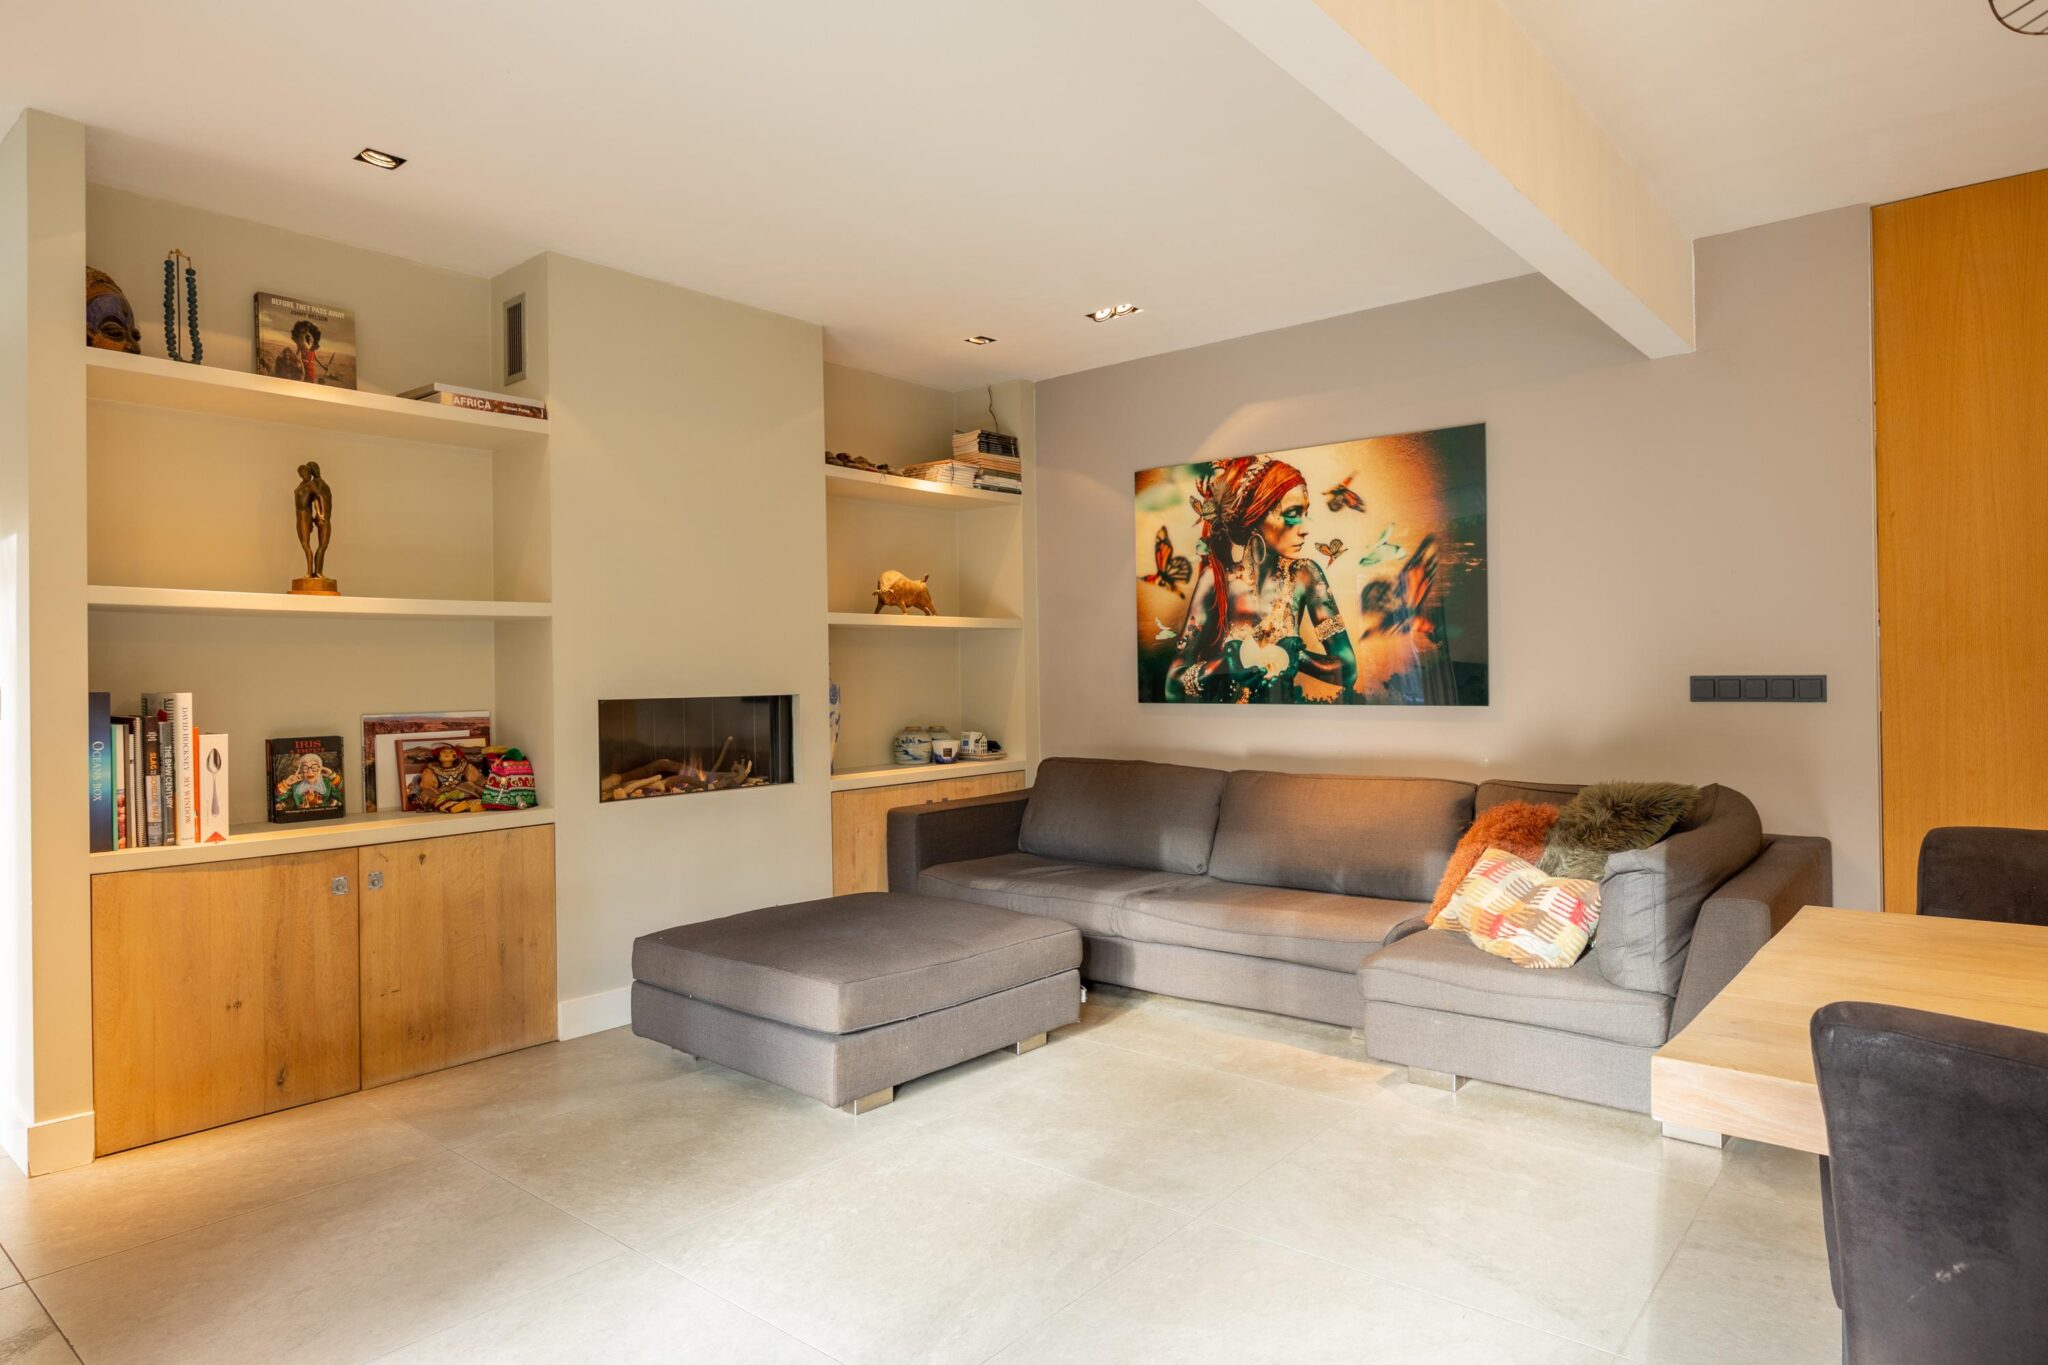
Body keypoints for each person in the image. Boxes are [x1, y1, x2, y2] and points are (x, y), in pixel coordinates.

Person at [1163, 455, 1358, 703]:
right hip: (1222, 723)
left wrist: (1300, 659)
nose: (1305, 528)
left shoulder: (1305, 575)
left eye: (1305, 513)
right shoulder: (1216, 579)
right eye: (1292, 513)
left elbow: (1349, 672)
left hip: (1286, 723)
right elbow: (1172, 686)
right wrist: (1222, 665)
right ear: (1256, 516)